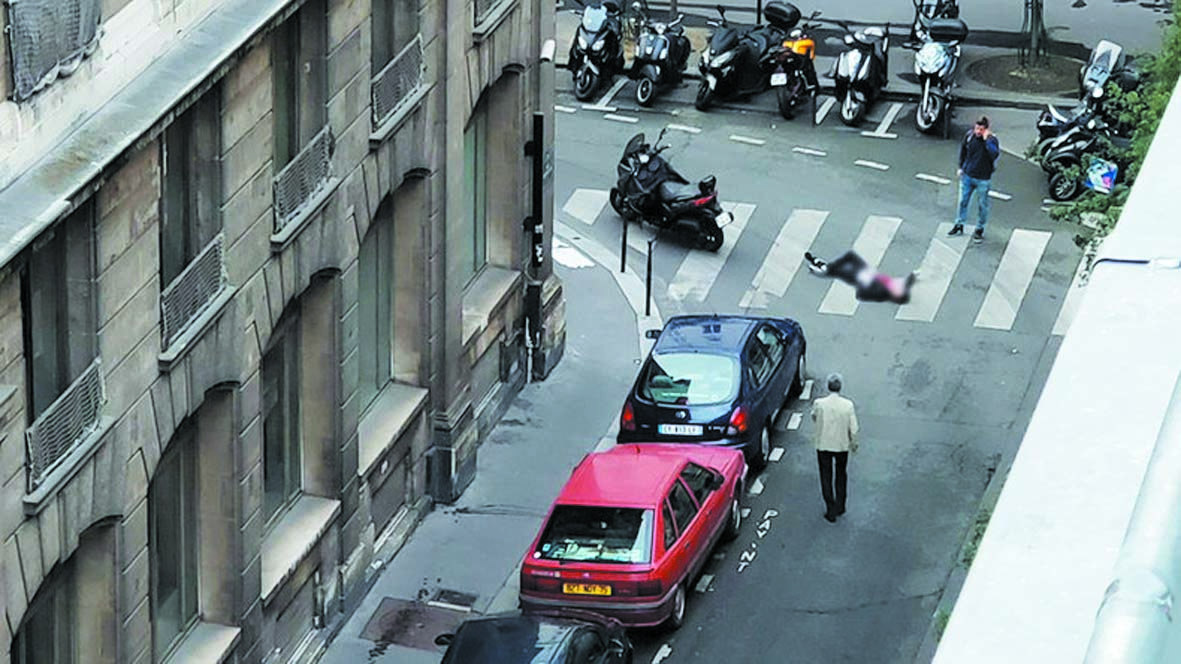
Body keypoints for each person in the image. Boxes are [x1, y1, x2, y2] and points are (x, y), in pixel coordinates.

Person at [811, 373, 860, 523]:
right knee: (840, 474)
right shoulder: (848, 405)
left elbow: (814, 416)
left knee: (826, 475)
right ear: (840, 387)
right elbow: (854, 428)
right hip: (841, 445)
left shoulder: (819, 403)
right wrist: (854, 443)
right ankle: (841, 505)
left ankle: (830, 508)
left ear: (828, 386)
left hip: (823, 444)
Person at [949, 116, 1001, 243]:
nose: (978, 131)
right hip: (968, 175)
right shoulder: (969, 137)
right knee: (963, 201)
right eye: (977, 128)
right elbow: (963, 152)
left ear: (986, 130)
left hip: (983, 178)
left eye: (981, 129)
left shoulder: (992, 140)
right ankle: (959, 224)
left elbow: (994, 154)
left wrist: (986, 140)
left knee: (982, 205)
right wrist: (961, 167)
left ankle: (979, 229)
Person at [805, 250, 917, 304]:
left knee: (835, 271)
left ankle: (817, 264)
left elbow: (861, 296)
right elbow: (907, 282)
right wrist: (913, 277)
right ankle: (820, 265)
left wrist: (863, 286)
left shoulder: (881, 294)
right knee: (846, 260)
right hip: (865, 271)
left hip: (857, 277)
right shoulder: (893, 287)